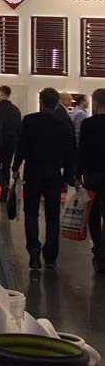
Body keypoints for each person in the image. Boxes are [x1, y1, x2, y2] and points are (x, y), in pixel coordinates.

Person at [14, 87, 76, 271]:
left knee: (31, 212)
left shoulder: (29, 120)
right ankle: (50, 256)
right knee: (52, 216)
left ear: (40, 101)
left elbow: (22, 146)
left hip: (33, 170)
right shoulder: (63, 123)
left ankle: (34, 249)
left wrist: (15, 167)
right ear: (57, 103)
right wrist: (69, 176)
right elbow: (70, 152)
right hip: (54, 172)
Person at [78, 88, 105, 273]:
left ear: (95, 103)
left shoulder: (88, 124)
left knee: (93, 213)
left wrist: (77, 174)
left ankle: (98, 247)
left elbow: (82, 150)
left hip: (92, 174)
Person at [0, 85, 22, 200]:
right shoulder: (16, 109)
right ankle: (4, 196)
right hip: (12, 142)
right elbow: (19, 128)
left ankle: (4, 185)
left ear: (1, 93)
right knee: (6, 166)